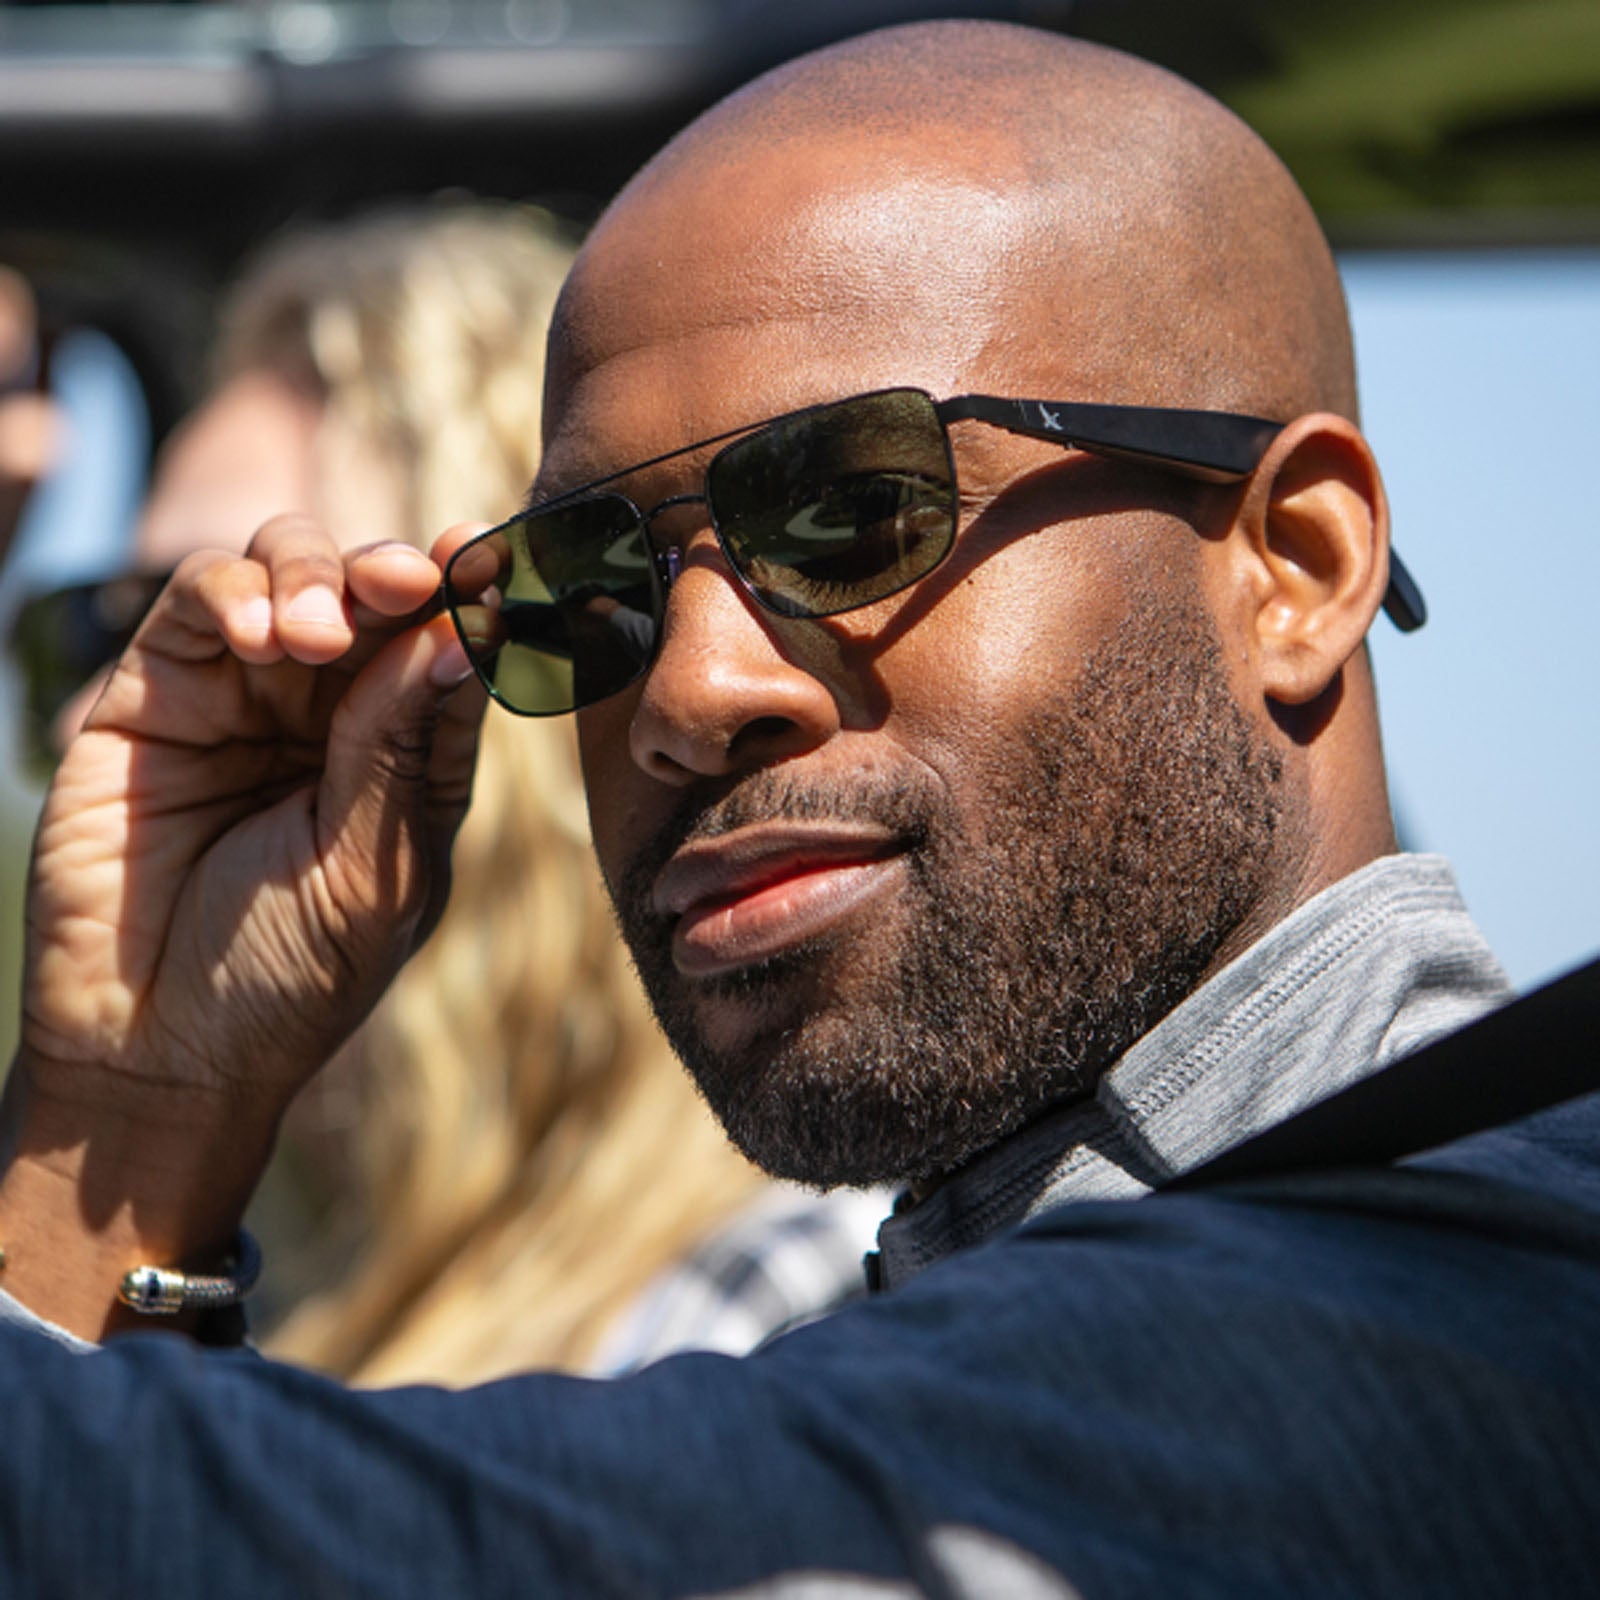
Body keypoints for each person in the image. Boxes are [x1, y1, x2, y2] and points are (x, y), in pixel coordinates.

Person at [1, 19, 1598, 1597]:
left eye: (855, 509)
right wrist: (151, 1107)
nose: (693, 692)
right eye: (588, 587)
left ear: (1300, 568)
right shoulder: (925, 1315)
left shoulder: (1469, 1315)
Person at [4, 201, 887, 1381]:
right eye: (101, 627)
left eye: (256, 642)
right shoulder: (269, 1276)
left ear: (528, 674)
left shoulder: (781, 1314)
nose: (96, 722)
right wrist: (138, 1102)